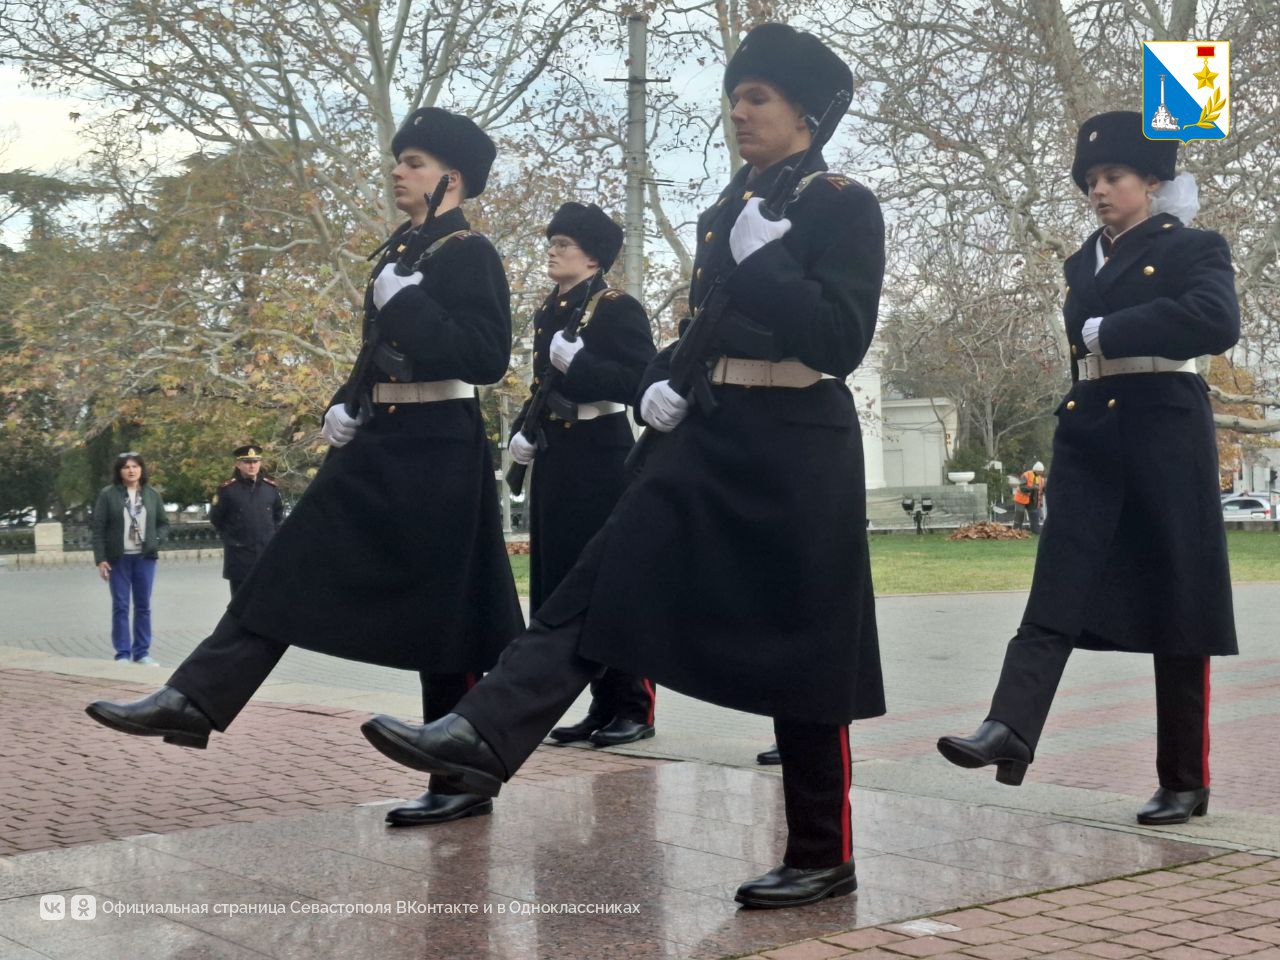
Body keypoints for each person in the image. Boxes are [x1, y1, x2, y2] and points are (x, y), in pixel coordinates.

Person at [361, 22, 886, 910]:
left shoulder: (843, 204)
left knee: (806, 642)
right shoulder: (732, 205)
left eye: (757, 98)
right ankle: (483, 732)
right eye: (734, 97)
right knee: (600, 577)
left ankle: (822, 852)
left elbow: (841, 339)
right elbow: (708, 326)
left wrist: (767, 263)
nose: (738, 112)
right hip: (709, 429)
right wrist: (660, 380)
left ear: (806, 111)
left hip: (799, 434)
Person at [86, 107, 525, 830]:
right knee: (288, 563)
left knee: (450, 614)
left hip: (440, 445)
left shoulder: (469, 252)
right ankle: (196, 697)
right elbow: (379, 353)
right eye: (399, 159)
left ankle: (461, 774)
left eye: (413, 162)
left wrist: (410, 306)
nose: (397, 171)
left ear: (452, 178)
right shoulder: (405, 249)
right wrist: (344, 400)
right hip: (381, 438)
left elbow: (484, 357)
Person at [937, 111, 1240, 827]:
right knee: (1057, 581)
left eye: (1114, 176)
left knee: (1177, 603)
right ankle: (1009, 726)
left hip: (1165, 424)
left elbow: (1217, 321)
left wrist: (1122, 327)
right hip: (1092, 427)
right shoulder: (1083, 261)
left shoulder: (1194, 246)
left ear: (1152, 181)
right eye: (1091, 180)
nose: (1099, 190)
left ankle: (1184, 779)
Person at [508, 202, 659, 748]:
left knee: (608, 581)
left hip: (601, 453)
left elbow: (642, 380)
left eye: (563, 244)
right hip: (557, 453)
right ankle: (600, 703)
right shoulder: (551, 309)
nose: (552, 251)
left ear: (593, 257)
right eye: (551, 242)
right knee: (563, 581)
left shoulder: (616, 308)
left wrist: (583, 366)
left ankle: (634, 706)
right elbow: (542, 384)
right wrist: (523, 431)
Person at [91, 452, 170, 665]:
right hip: (119, 559)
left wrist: (155, 540)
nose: (131, 470)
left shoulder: (152, 494)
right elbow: (98, 528)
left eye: (135, 466)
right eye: (126, 467)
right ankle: (122, 654)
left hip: (144, 558)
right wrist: (101, 559)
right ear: (119, 471)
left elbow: (163, 523)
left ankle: (142, 652)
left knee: (143, 606)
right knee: (121, 606)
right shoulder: (108, 494)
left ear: (141, 469)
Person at [209, 444, 284, 596]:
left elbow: (278, 516)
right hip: (239, 556)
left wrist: (272, 539)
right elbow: (216, 518)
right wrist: (231, 539)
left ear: (260, 463)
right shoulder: (227, 490)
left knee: (267, 600)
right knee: (240, 602)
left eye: (255, 461)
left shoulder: (270, 488)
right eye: (247, 462)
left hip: (265, 555)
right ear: (238, 464)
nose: (252, 466)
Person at [1012, 461, 1045, 533]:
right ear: (1035, 470)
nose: (1040, 473)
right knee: (1020, 513)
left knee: (1034, 514)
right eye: (1039, 471)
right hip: (1021, 499)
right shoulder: (1026, 475)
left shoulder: (1041, 479)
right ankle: (1016, 530)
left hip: (1033, 500)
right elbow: (1022, 487)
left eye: (1041, 471)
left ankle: (1035, 530)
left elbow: (1042, 489)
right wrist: (1032, 488)